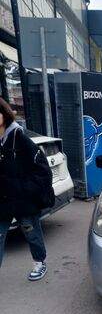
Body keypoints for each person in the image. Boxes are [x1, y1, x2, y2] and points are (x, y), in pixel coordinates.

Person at [0, 97, 54, 280]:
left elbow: (42, 170)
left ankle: (40, 263)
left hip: (23, 199)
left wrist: (25, 190)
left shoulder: (19, 138)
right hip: (3, 200)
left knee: (31, 233)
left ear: (4, 115)